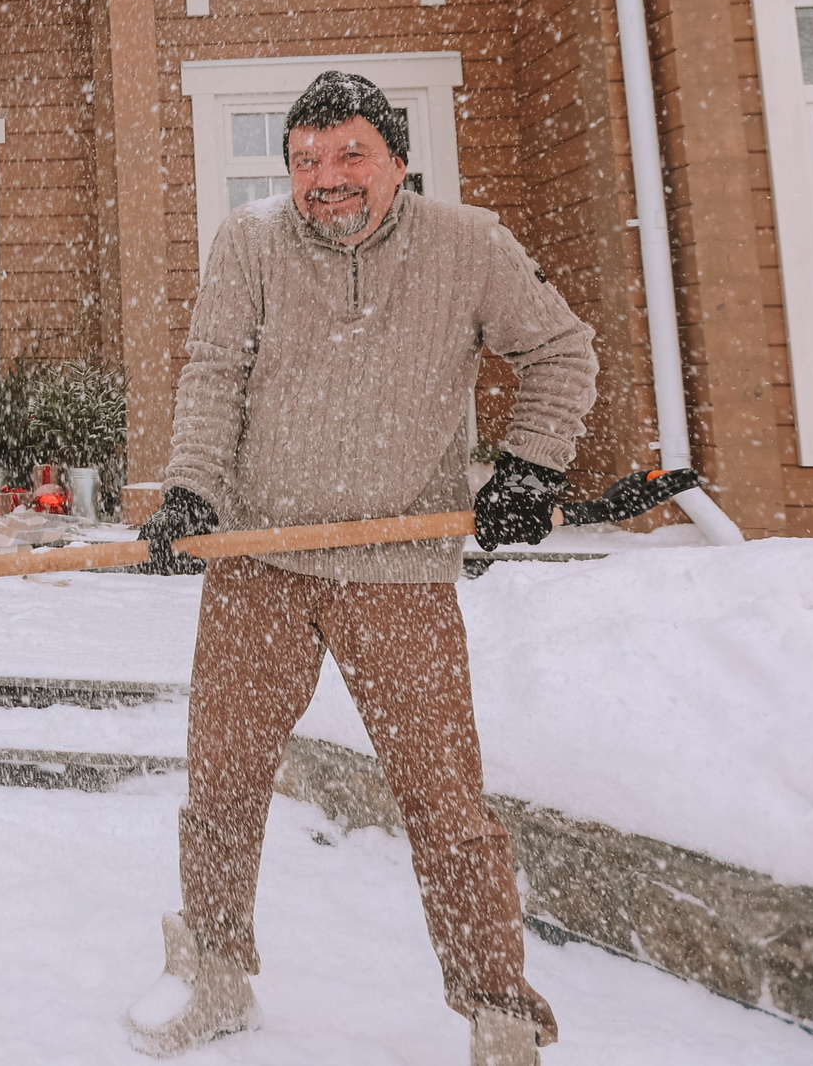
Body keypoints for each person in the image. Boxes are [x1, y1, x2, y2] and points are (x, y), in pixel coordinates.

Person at [126, 71, 597, 1066]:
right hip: (259, 559)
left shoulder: (468, 245)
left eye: (348, 156)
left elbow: (560, 350)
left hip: (398, 568)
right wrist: (191, 493)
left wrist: (527, 466)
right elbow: (213, 371)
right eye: (304, 159)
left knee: (443, 798)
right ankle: (213, 970)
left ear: (395, 162)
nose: (326, 179)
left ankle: (499, 1010)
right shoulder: (247, 244)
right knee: (222, 780)